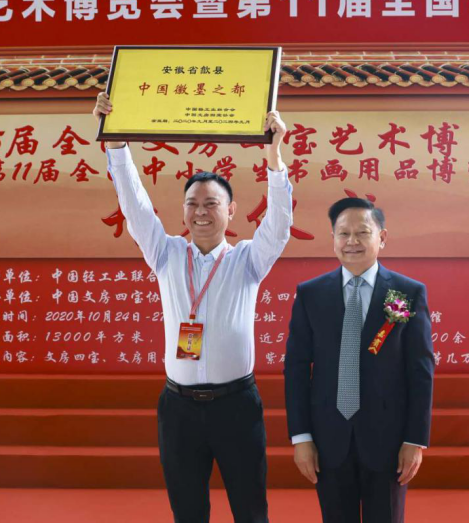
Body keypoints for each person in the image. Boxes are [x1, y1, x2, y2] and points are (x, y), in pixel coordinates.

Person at [93, 92, 292, 523]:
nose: (201, 212)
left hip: (236, 406)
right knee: (187, 512)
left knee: (251, 510)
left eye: (211, 204)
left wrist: (274, 158)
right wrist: (116, 141)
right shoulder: (164, 254)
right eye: (192, 204)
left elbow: (278, 227)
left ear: (231, 211)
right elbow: (135, 205)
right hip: (178, 408)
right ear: (183, 210)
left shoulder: (247, 260)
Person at [283, 197, 435, 523]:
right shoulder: (311, 294)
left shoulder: (407, 293)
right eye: (343, 233)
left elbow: (420, 370)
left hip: (389, 440)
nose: (352, 241)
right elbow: (296, 368)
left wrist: (415, 440)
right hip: (328, 439)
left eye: (363, 232)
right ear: (333, 239)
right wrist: (301, 437)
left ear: (382, 237)